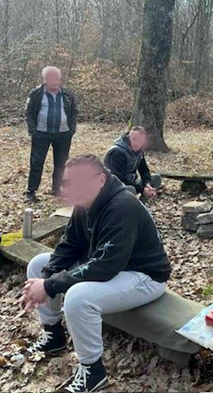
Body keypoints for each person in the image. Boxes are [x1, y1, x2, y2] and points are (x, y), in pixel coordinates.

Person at [22, 155, 171, 393]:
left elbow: (106, 265)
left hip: (144, 276)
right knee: (38, 265)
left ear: (101, 180)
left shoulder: (123, 207)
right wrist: (46, 277)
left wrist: (49, 286)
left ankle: (93, 371)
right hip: (110, 266)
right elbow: (70, 244)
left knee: (78, 297)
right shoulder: (85, 203)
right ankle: (53, 335)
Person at [25, 66, 78, 202]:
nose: (56, 82)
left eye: (58, 79)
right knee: (37, 163)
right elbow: (28, 112)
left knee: (61, 163)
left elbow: (74, 112)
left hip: (63, 134)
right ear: (45, 79)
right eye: (53, 79)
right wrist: (33, 130)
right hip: (41, 133)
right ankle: (31, 191)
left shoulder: (67, 95)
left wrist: (71, 129)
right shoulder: (36, 94)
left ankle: (56, 188)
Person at [103, 126, 161, 199]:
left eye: (140, 141)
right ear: (128, 137)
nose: (136, 143)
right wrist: (142, 190)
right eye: (134, 139)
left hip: (131, 183)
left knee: (156, 178)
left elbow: (144, 170)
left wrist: (147, 184)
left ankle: (141, 202)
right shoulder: (117, 152)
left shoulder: (139, 152)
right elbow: (119, 179)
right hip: (113, 188)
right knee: (131, 189)